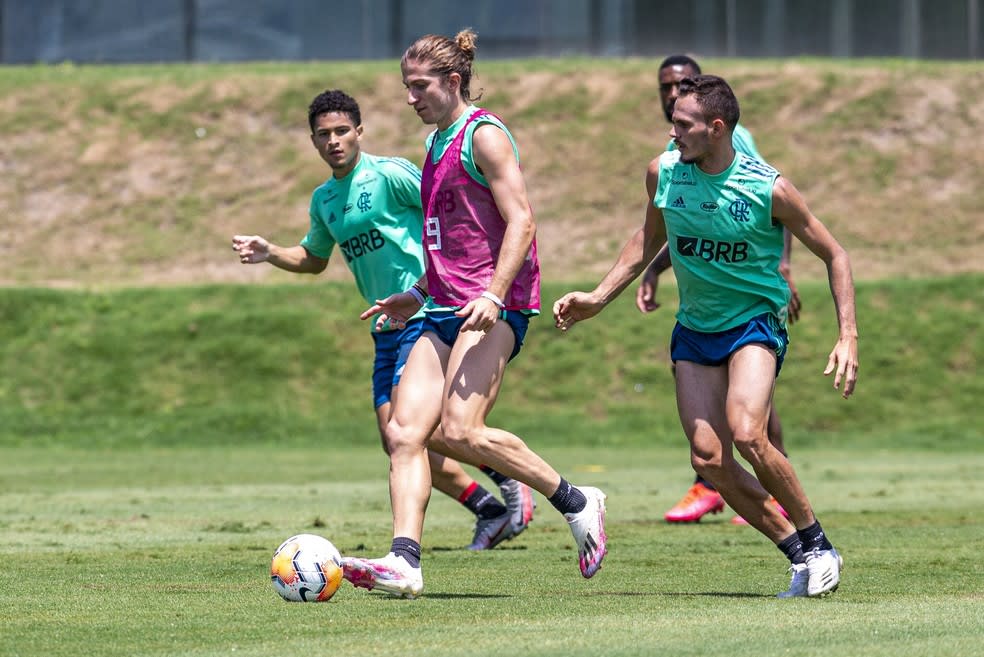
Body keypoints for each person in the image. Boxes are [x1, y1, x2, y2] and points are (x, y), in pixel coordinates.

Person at [553, 74, 857, 598]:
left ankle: (820, 543)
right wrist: (599, 297)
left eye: (683, 125)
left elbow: (836, 254)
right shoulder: (664, 173)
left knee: (747, 433)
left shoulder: (768, 187)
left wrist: (847, 334)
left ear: (716, 129)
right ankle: (799, 556)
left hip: (754, 322)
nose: (673, 134)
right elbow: (646, 239)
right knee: (708, 459)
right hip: (694, 328)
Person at [340, 30, 608, 599]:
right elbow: (449, 241)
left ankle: (577, 501)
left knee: (462, 430)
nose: (409, 98)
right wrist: (413, 292)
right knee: (405, 431)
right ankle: (404, 561)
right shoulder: (435, 144)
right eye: (406, 87)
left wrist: (492, 294)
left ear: (452, 82)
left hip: (495, 306)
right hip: (437, 307)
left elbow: (522, 221)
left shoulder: (481, 135)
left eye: (419, 87)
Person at [231, 89, 536, 553]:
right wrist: (270, 252)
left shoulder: (390, 175)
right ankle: (489, 508)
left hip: (425, 310)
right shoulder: (325, 200)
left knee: (415, 431)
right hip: (384, 327)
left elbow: (448, 209)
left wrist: (455, 280)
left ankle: (507, 479)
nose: (333, 141)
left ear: (359, 131)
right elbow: (314, 259)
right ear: (313, 142)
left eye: (340, 131)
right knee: (394, 439)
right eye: (323, 135)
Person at [637, 55, 800, 525]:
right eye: (665, 86)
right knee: (730, 409)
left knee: (747, 415)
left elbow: (766, 204)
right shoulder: (677, 153)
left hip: (748, 297)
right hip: (701, 308)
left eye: (682, 84)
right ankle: (728, 482)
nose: (672, 93)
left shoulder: (730, 140)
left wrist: (783, 268)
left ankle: (737, 487)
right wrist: (653, 269)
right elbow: (692, 223)